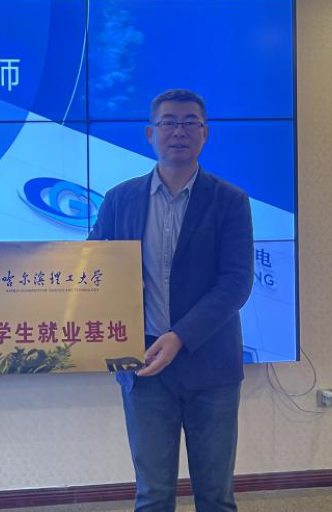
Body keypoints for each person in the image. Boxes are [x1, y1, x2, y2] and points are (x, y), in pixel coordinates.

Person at [88, 89, 254, 511]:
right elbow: (91, 268)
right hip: (142, 365)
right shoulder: (119, 199)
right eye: (168, 122)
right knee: (153, 494)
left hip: (211, 366)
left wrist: (180, 336)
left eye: (189, 122)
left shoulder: (230, 201)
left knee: (215, 495)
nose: (179, 131)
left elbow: (236, 283)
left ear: (205, 134)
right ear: (150, 133)